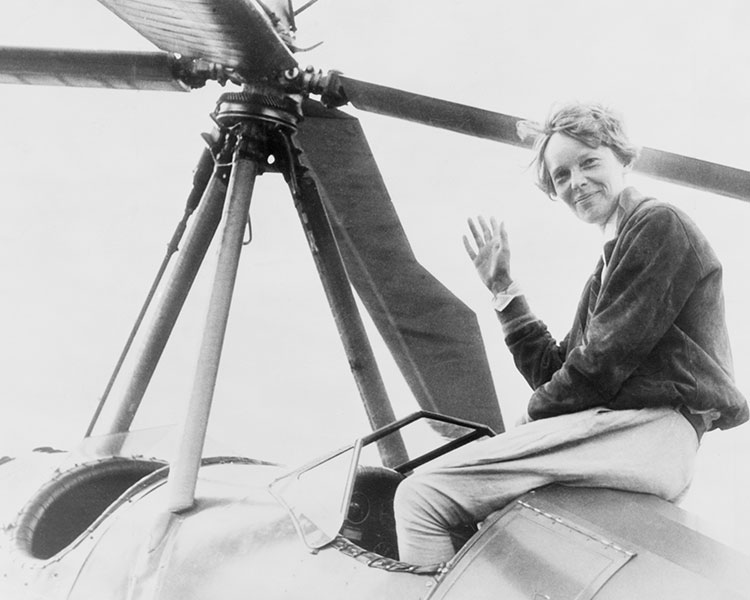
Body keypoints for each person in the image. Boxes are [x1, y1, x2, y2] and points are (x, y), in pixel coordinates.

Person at [392, 102, 748, 566]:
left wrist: (525, 423)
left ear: (623, 158)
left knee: (422, 497)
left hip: (648, 432)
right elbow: (556, 372)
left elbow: (600, 364)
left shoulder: (658, 225)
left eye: (589, 162)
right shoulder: (612, 261)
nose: (576, 182)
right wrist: (503, 289)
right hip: (634, 438)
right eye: (561, 176)